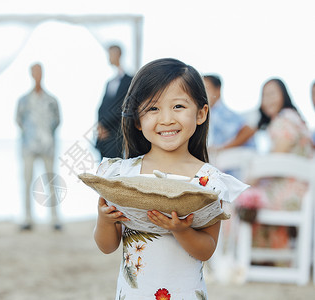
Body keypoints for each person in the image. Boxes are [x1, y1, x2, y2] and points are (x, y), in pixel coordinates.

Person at [93, 58, 248, 299]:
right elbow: (107, 246)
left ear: (201, 113)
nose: (166, 119)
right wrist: (104, 220)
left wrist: (181, 230)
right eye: (153, 108)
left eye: (178, 106)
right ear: (137, 119)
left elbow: (206, 249)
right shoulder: (122, 175)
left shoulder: (207, 180)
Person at [250, 78, 312, 250]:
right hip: (301, 191)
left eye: (272, 94)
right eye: (264, 95)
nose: (268, 100)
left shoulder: (284, 121)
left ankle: (231, 260)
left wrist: (249, 180)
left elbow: (275, 160)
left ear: (283, 95)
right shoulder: (296, 119)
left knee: (240, 201)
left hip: (290, 192)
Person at [16, 63, 61, 231]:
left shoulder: (51, 100)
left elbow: (57, 120)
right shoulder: (23, 100)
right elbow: (18, 120)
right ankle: (27, 217)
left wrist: (47, 135)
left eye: (40, 72)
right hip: (28, 146)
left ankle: (54, 218)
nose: (37, 75)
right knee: (27, 181)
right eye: (35, 72)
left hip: (48, 146)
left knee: (50, 181)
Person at [95, 45, 133, 159]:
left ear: (119, 55)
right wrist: (100, 125)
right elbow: (102, 107)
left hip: (117, 134)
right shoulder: (109, 82)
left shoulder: (129, 81)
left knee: (115, 169)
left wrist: (105, 125)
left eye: (111, 54)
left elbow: (124, 107)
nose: (109, 57)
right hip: (104, 136)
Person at [203, 74, 256, 151]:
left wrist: (222, 148)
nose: (203, 93)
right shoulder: (212, 112)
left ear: (218, 90)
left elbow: (248, 131)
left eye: (207, 89)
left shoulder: (222, 112)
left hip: (239, 156)